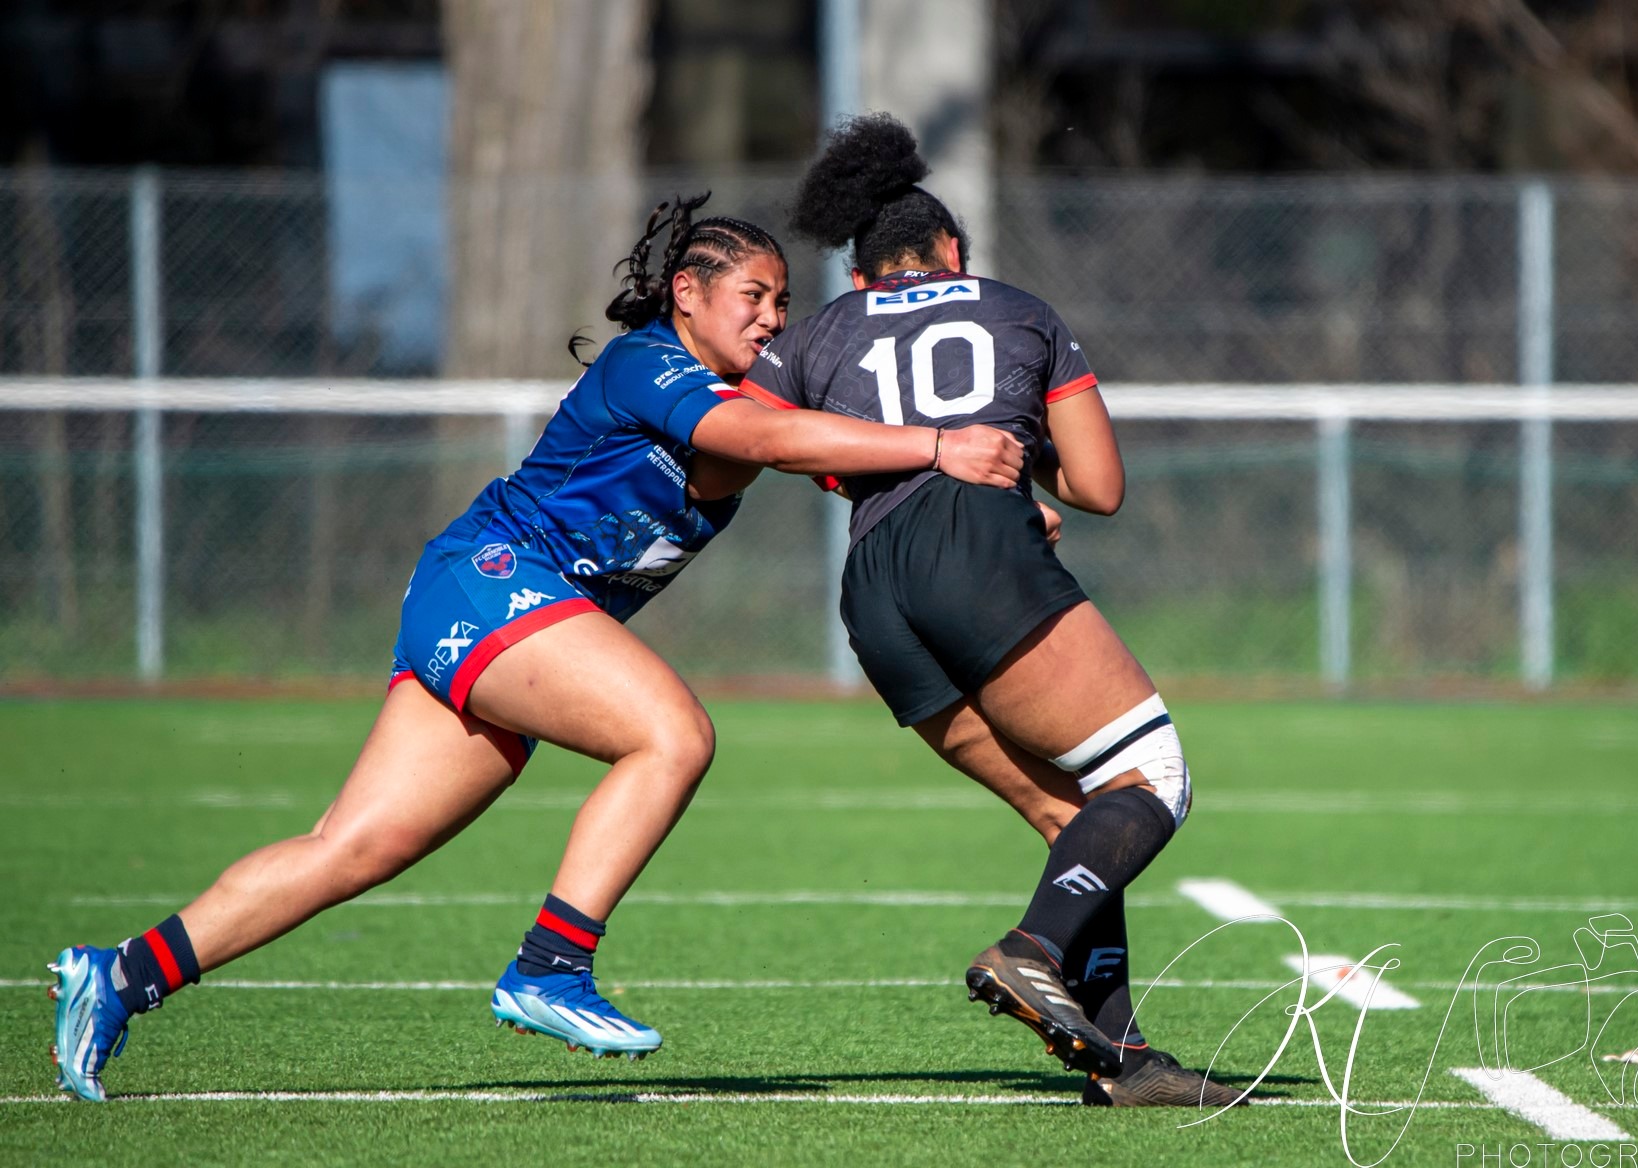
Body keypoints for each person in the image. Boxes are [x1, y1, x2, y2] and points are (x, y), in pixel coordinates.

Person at [46, 193, 1025, 1103]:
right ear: (687, 294)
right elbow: (769, 441)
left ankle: (121, 974)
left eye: (783, 300)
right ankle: (552, 963)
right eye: (753, 295)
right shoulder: (653, 362)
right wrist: (942, 448)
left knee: (351, 848)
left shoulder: (744, 406)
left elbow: (816, 453)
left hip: (492, 607)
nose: (773, 315)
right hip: (490, 578)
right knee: (671, 734)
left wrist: (997, 502)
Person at [741, 114, 1248, 1109]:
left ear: (859, 271)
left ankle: (1125, 1061)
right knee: (1156, 775)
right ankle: (1030, 947)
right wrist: (1018, 465)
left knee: (1070, 813)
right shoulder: (1019, 310)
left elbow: (769, 441)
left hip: (875, 591)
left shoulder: (818, 333)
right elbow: (1100, 487)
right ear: (953, 253)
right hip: (980, 557)